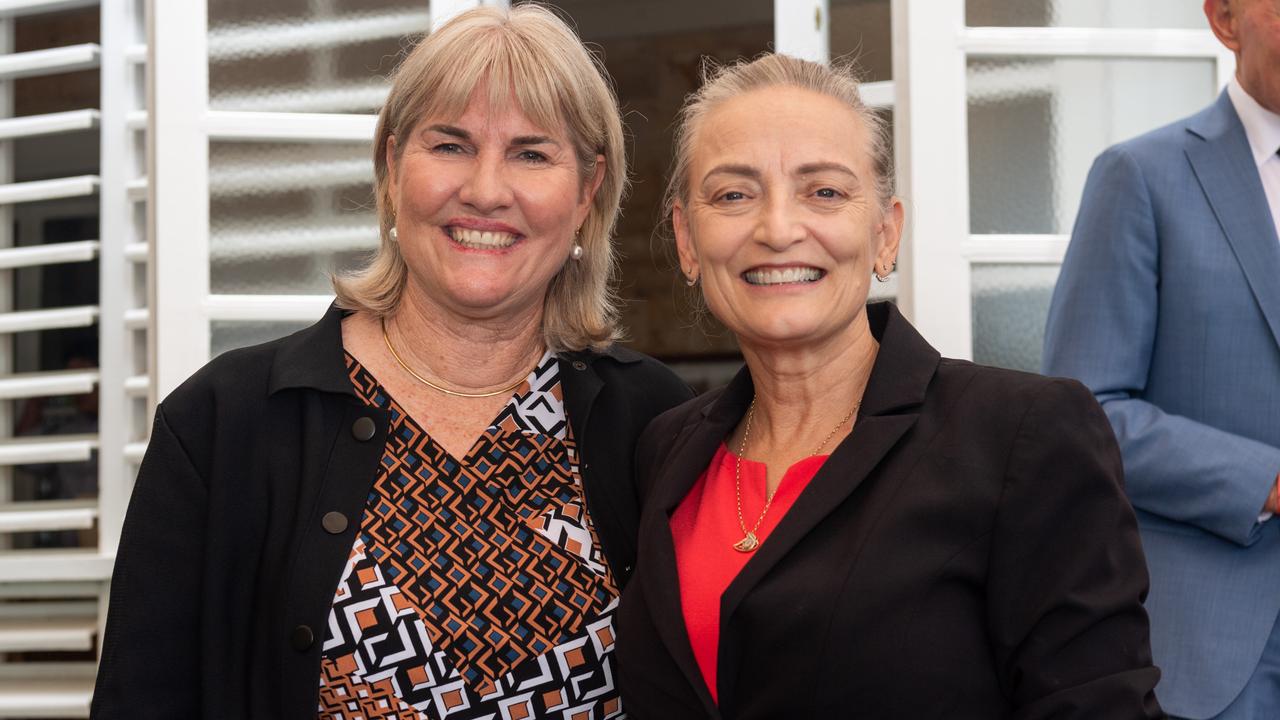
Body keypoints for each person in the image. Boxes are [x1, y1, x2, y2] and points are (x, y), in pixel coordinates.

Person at [91, 6, 691, 718]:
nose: (486, 190)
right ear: (390, 163)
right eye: (450, 145)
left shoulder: (654, 421)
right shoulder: (223, 422)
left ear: (588, 190)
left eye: (532, 153)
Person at [614, 53, 1162, 719]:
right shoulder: (665, 448)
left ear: (885, 232)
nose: (778, 228)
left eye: (825, 192)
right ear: (687, 241)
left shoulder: (1023, 435)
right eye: (734, 194)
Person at [1042, 1, 1280, 717]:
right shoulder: (1139, 176)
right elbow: (1084, 415)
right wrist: (1268, 480)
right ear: (1225, 19)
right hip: (1217, 651)